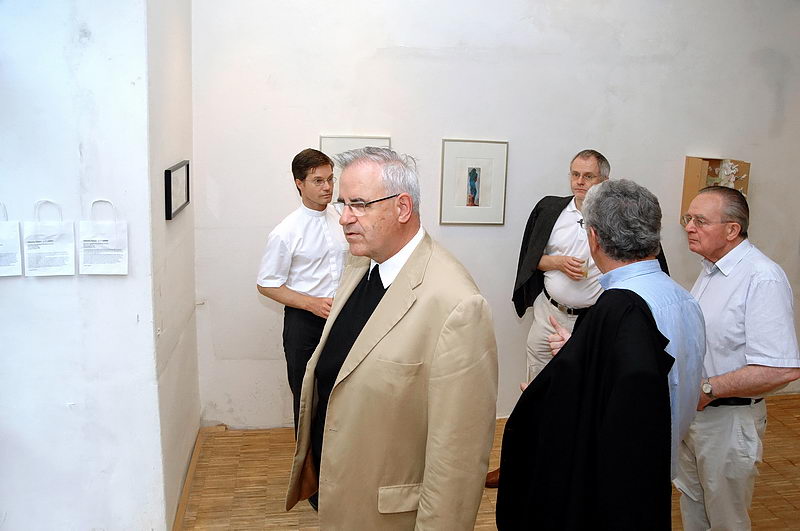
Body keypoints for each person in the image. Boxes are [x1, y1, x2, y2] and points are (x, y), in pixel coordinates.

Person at [285, 147, 498, 529]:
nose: (344, 218)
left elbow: (457, 460)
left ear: (402, 208)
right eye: (343, 204)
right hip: (341, 496)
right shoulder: (361, 263)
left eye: (359, 204)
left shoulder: (457, 305)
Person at [496, 179, 679, 530]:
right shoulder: (681, 299)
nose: (579, 181)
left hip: (611, 488)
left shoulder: (621, 307)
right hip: (649, 471)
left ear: (594, 238)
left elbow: (618, 405)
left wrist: (545, 401)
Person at [675, 186, 800, 530]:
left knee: (727, 521)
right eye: (688, 218)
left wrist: (707, 389)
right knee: (694, 510)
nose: (689, 227)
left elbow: (780, 368)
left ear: (732, 229)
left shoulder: (762, 277)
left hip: (728, 421)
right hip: (698, 415)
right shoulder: (711, 269)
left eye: (700, 221)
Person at [256, 148, 348, 431]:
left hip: (342, 318)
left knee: (341, 392)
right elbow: (267, 284)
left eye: (330, 179)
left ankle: (334, 455)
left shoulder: (342, 217)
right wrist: (311, 303)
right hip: (304, 322)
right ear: (299, 183)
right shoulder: (285, 232)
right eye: (318, 181)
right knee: (306, 396)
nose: (328, 187)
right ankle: (305, 458)